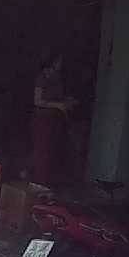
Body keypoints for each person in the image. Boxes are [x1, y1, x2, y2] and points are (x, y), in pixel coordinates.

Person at [30, 53, 77, 186]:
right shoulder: (42, 77)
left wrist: (67, 101)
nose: (61, 63)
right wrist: (57, 105)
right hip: (42, 119)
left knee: (52, 152)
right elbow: (37, 101)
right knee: (42, 152)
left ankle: (47, 184)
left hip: (55, 119)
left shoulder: (57, 78)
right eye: (59, 60)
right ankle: (39, 183)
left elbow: (56, 97)